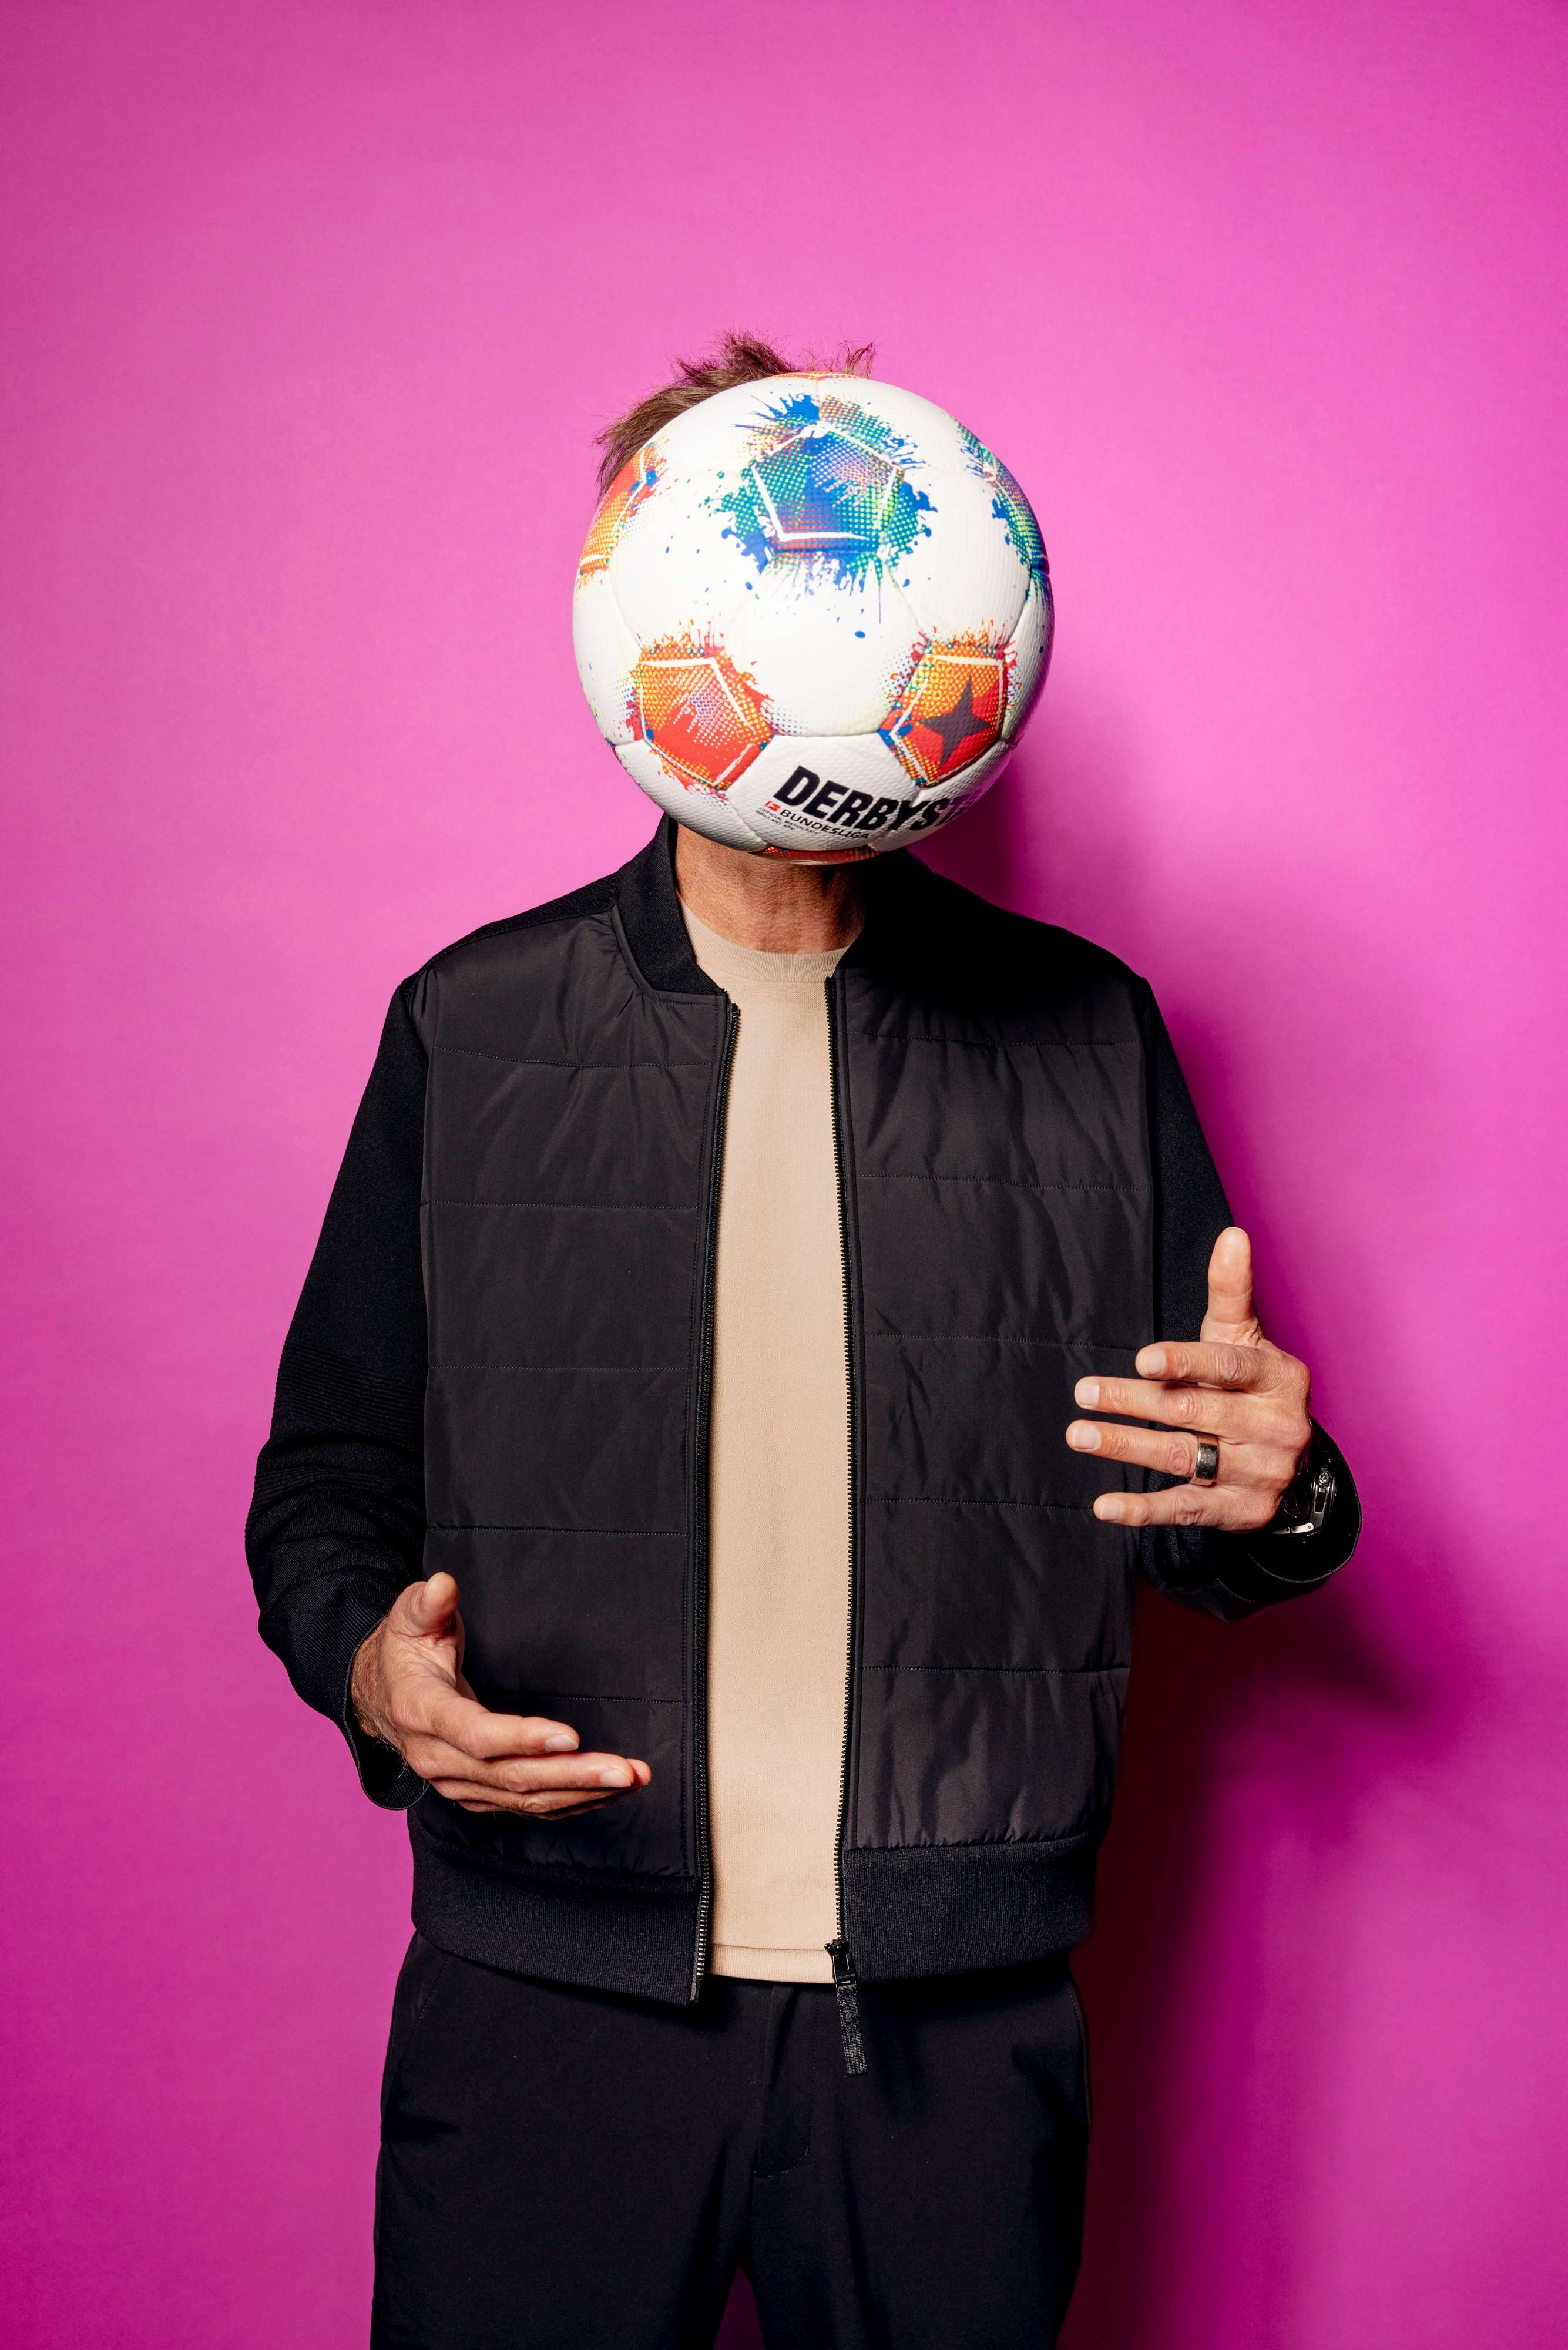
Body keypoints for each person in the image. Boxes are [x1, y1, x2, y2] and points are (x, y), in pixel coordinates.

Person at [247, 334, 1359, 2350]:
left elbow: (1200, 1510)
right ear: (644, 618)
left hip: (952, 2023)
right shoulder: (471, 1030)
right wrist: (369, 1675)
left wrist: (1283, 1495)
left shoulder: (1085, 1037)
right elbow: (327, 1477)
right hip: (548, 2002)